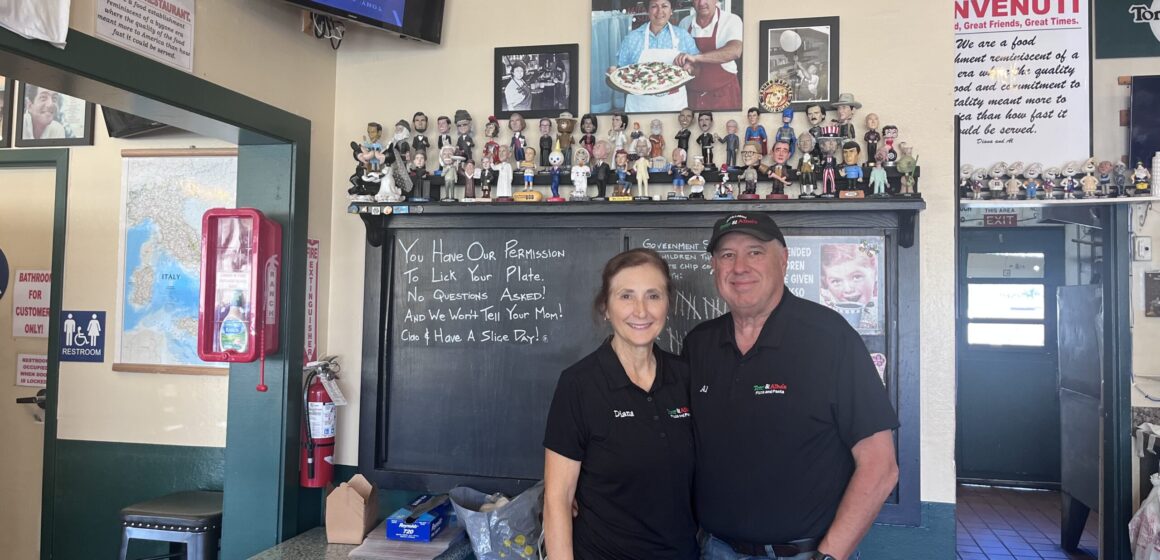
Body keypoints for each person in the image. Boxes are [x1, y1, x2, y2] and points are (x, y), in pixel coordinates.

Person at [682, 213, 898, 560]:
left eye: (755, 252)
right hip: (714, 549)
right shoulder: (699, 344)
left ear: (783, 260)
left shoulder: (831, 337)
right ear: (714, 266)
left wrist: (828, 557)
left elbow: (880, 465)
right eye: (727, 255)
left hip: (804, 554)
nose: (739, 267)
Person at [543, 248, 697, 560]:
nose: (641, 311)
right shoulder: (579, 384)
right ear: (605, 307)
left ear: (668, 304)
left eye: (653, 296)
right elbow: (557, 499)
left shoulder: (686, 377)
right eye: (626, 296)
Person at [610, 0, 700, 113]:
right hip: (639, 107)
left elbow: (697, 69)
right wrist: (614, 73)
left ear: (671, 10)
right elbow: (621, 74)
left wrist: (690, 68)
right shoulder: (632, 38)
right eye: (654, 6)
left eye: (665, 6)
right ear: (647, 10)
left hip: (674, 106)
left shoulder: (683, 36)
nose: (659, 11)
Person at [676, 0, 743, 110]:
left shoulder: (731, 20)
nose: (701, 3)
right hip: (692, 95)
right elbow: (682, 56)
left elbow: (735, 51)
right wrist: (686, 63)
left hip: (724, 93)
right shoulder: (685, 23)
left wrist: (696, 58)